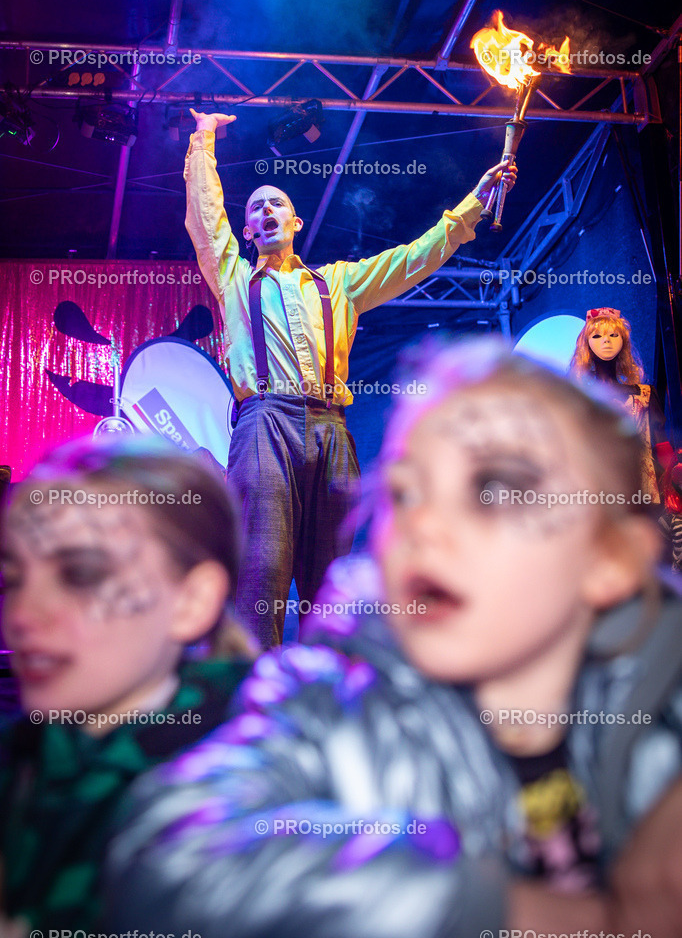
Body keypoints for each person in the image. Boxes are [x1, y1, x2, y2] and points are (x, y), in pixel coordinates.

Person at [106, 338, 682, 937]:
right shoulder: (332, 695)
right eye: (404, 492)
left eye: (494, 488)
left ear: (611, 559)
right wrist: (480, 903)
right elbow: (166, 855)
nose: (423, 524)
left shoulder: (663, 701)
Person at [183, 107, 518, 646]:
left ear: (294, 222)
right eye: (256, 207)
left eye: (278, 204)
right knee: (261, 570)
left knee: (332, 579)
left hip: (331, 427)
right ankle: (256, 705)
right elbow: (205, 216)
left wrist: (474, 203)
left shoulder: (340, 283)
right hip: (265, 423)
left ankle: (326, 698)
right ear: (247, 231)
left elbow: (415, 258)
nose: (267, 210)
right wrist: (203, 140)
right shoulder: (233, 276)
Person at [0, 436, 257, 933]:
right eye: (12, 580)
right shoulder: (19, 762)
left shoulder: (251, 800)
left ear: (191, 601)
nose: (24, 616)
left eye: (81, 575)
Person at [569, 307, 665, 503]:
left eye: (614, 335)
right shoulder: (578, 397)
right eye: (597, 336)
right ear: (586, 344)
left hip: (642, 488)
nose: (606, 341)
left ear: (623, 341)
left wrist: (674, 477)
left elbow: (661, 444)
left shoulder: (645, 394)